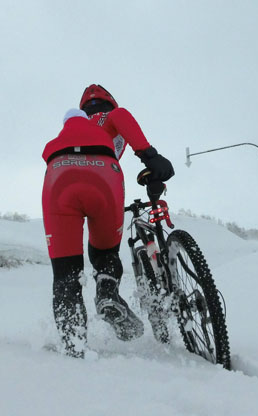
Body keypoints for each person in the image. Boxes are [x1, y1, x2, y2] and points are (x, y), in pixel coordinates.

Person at [41, 85, 174, 357]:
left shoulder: (68, 130)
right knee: (104, 251)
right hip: (104, 176)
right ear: (109, 103)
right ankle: (106, 288)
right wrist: (150, 155)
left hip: (58, 176)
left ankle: (74, 347)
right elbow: (122, 117)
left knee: (65, 274)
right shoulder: (107, 117)